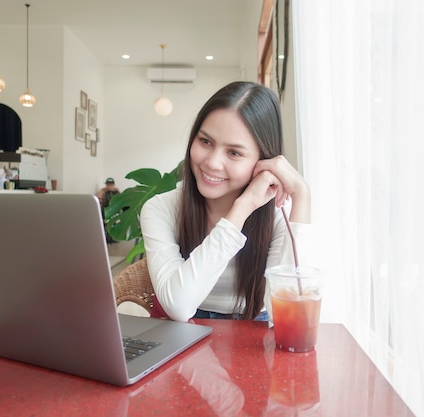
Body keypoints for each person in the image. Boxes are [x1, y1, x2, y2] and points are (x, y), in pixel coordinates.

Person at [140, 81, 311, 322]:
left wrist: (302, 196)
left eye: (234, 153)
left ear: (264, 160)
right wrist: (240, 210)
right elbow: (179, 306)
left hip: (252, 324)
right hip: (181, 327)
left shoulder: (278, 213)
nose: (211, 162)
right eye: (205, 141)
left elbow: (283, 313)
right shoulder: (160, 208)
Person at [96, 177, 120, 243]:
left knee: (113, 224)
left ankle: (112, 238)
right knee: (105, 225)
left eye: (111, 185)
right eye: (108, 185)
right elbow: (99, 198)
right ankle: (106, 238)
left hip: (114, 210)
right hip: (106, 210)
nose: (109, 186)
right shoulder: (103, 191)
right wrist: (102, 191)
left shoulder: (116, 192)